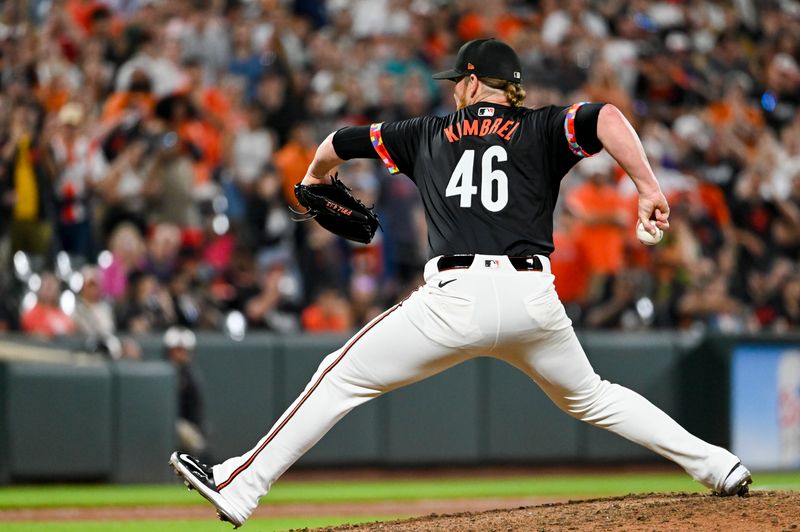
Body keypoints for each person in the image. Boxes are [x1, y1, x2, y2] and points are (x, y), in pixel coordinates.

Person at [170, 39, 752, 528]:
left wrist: (314, 176)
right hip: (533, 298)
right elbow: (606, 117)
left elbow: (340, 142)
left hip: (458, 298)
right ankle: (717, 465)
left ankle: (241, 485)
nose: (454, 89)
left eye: (459, 80)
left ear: (474, 82)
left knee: (340, 375)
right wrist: (649, 188)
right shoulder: (544, 127)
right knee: (594, 396)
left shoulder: (425, 131)